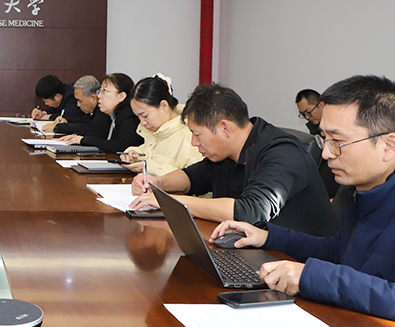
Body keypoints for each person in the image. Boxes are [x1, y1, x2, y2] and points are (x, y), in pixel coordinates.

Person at [211, 75, 395, 327]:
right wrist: (268, 236)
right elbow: (340, 251)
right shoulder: (362, 187)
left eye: (338, 142)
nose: (326, 153)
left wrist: (315, 278)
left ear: (389, 145)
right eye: (325, 139)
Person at [129, 83, 335, 236]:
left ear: (224, 128)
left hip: (297, 262)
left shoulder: (281, 152)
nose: (194, 142)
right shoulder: (226, 154)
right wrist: (158, 183)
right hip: (248, 248)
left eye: (197, 134)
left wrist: (171, 202)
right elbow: (192, 177)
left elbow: (251, 211)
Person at [119, 74, 203, 177]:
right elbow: (149, 151)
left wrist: (151, 168)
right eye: (138, 117)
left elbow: (193, 178)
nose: (142, 122)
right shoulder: (158, 131)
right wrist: (132, 153)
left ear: (164, 106)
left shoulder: (190, 136)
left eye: (145, 116)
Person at [59, 73, 143, 152]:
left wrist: (83, 140)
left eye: (104, 91)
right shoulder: (114, 114)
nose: (99, 96)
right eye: (100, 91)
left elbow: (119, 146)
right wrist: (79, 138)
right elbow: (101, 135)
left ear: (121, 96)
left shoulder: (129, 116)